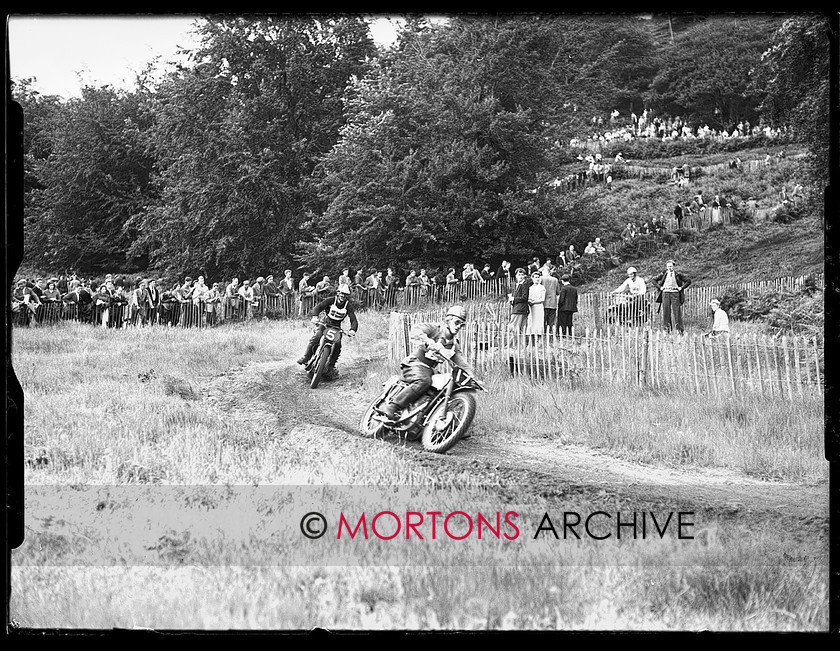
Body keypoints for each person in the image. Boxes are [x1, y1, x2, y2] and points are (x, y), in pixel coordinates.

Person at [377, 305, 471, 422]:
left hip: (429, 370)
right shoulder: (435, 329)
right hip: (415, 363)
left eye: (462, 325)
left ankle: (447, 424)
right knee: (424, 381)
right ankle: (392, 406)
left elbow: (462, 363)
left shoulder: (453, 345)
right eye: (457, 322)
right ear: (448, 319)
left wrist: (472, 377)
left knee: (445, 388)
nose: (458, 327)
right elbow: (415, 330)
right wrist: (430, 343)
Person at [297, 284, 358, 380]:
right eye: (341, 293)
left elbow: (353, 319)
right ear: (338, 293)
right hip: (325, 323)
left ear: (347, 296)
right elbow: (319, 306)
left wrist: (352, 330)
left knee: (337, 345)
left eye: (345, 294)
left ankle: (330, 366)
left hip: (337, 328)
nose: (342, 296)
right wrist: (315, 316)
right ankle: (306, 357)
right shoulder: (331, 300)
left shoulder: (348, 306)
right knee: (317, 337)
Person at [652, 260, 692, 334]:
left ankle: (679, 330)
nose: (669, 268)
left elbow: (688, 281)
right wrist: (660, 287)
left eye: (671, 266)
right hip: (665, 293)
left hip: (675, 293)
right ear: (666, 267)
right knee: (666, 311)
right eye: (668, 266)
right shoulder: (664, 274)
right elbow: (653, 280)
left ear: (673, 266)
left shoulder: (678, 274)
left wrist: (681, 288)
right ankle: (667, 330)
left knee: (677, 311)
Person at [507, 268, 530, 335]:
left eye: (522, 275)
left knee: (514, 327)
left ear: (524, 276)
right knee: (518, 329)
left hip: (520, 309)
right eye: (519, 275)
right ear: (516, 276)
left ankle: (511, 344)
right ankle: (518, 344)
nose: (520, 276)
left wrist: (513, 299)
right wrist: (511, 300)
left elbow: (524, 298)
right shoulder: (517, 285)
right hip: (517, 308)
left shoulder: (525, 284)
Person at [525, 271, 546, 340]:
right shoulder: (530, 288)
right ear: (532, 278)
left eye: (538, 277)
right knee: (531, 321)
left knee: (538, 322)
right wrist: (529, 301)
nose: (537, 279)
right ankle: (531, 338)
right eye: (535, 277)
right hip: (531, 307)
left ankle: (539, 338)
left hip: (538, 306)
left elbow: (542, 299)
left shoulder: (542, 288)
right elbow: (528, 297)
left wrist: (534, 302)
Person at [540, 267, 560, 335]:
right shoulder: (555, 280)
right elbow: (557, 292)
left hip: (543, 303)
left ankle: (543, 334)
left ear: (543, 271)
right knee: (551, 321)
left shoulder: (541, 278)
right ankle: (551, 335)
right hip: (553, 303)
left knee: (543, 320)